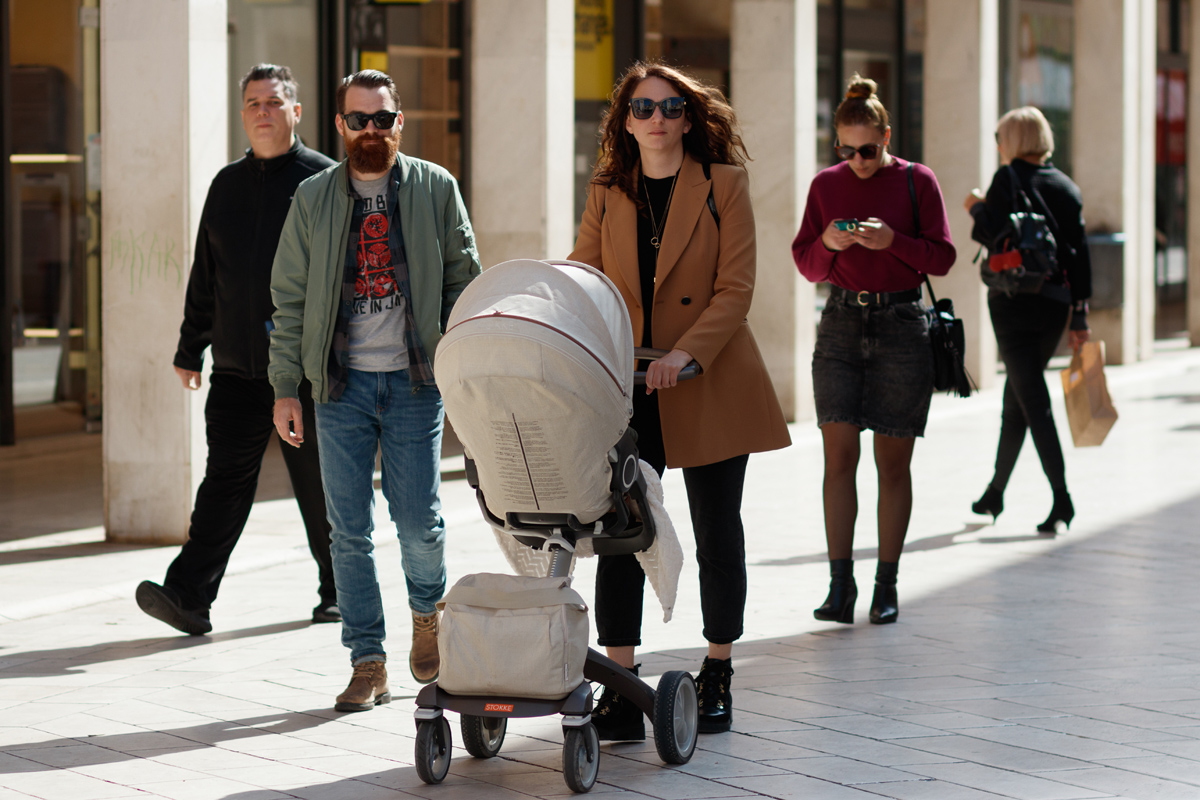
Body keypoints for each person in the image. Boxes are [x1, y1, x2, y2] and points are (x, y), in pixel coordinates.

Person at [569, 62, 790, 738]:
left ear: (689, 119)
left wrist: (685, 354)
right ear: (625, 121)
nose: (657, 118)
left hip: (709, 379)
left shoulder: (725, 184)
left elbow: (736, 288)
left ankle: (718, 669)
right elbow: (585, 275)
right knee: (620, 534)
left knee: (718, 530)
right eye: (642, 108)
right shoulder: (608, 190)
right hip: (628, 387)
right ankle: (620, 684)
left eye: (670, 107)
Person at [268, 69, 480, 713]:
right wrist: (285, 386)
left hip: (417, 383)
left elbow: (464, 280)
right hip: (340, 387)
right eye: (357, 119)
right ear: (338, 125)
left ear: (399, 122)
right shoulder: (312, 198)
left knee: (418, 521)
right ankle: (367, 661)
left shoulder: (435, 188)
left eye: (381, 119)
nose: (369, 130)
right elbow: (289, 298)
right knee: (348, 531)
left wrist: (467, 366)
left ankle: (426, 615)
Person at [136, 64, 338, 636]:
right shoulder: (225, 185)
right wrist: (188, 347)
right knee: (223, 483)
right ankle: (188, 596)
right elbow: (208, 272)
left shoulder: (324, 182)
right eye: (252, 103)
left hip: (303, 374)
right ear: (243, 112)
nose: (263, 112)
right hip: (234, 371)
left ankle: (339, 590)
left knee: (321, 487)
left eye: (274, 102)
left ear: (296, 111)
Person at [791, 75, 956, 627]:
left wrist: (894, 242)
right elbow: (807, 264)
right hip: (839, 324)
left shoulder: (917, 181)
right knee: (838, 459)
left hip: (902, 326)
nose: (857, 160)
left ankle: (886, 584)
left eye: (868, 149)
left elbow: (944, 258)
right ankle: (841, 585)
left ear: (887, 136)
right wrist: (828, 243)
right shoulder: (825, 185)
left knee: (893, 465)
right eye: (846, 149)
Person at [963, 106, 1091, 533]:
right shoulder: (1067, 187)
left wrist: (976, 207)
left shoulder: (1007, 179)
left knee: (1032, 401)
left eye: (1001, 138)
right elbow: (1080, 256)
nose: (998, 146)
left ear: (1012, 142)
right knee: (1017, 398)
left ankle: (1062, 499)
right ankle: (995, 493)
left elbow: (989, 234)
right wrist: (1080, 317)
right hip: (1055, 305)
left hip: (1013, 303)